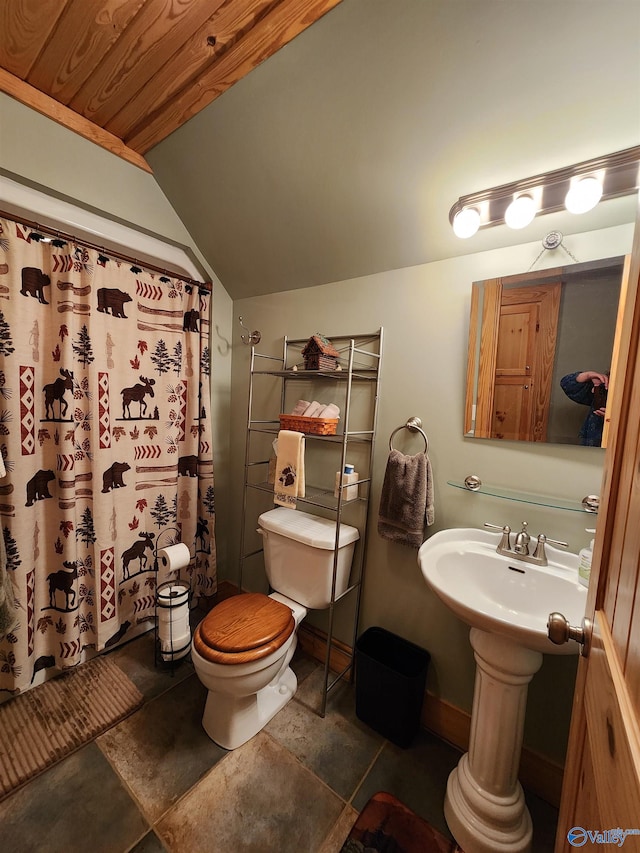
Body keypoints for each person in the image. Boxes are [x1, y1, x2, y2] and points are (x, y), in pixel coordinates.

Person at [560, 370, 609, 446]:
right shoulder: (602, 389)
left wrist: (617, 420)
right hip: (588, 447)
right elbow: (567, 384)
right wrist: (588, 375)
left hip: (616, 451)